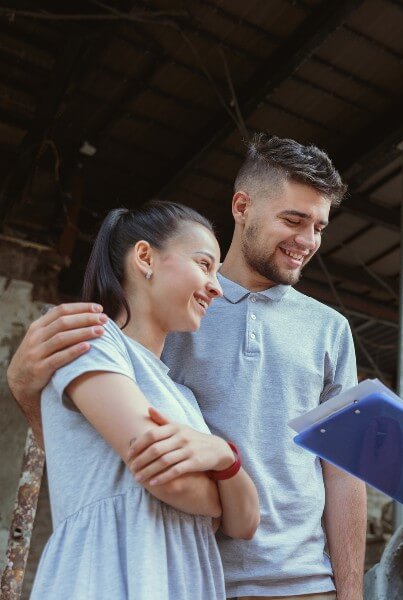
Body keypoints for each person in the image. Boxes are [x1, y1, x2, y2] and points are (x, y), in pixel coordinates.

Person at [8, 134, 366, 600]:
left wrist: (351, 592)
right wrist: (22, 386)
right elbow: (94, 448)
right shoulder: (170, 310)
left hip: (303, 584)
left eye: (319, 226)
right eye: (293, 220)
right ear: (242, 207)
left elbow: (344, 470)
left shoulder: (330, 329)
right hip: (189, 577)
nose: (307, 240)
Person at [30, 201, 260, 599]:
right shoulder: (93, 341)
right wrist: (225, 490)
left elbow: (247, 523)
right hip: (103, 579)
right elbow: (162, 476)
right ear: (144, 257)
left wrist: (223, 457)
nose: (218, 288)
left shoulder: (183, 396)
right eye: (204, 265)